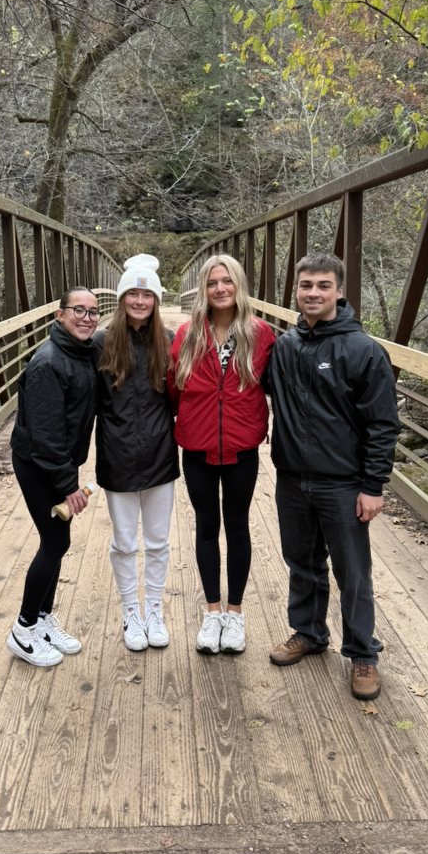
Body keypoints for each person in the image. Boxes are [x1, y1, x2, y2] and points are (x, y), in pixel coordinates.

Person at [267, 252, 399, 700]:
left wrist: (373, 485)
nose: (313, 293)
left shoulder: (364, 351)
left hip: (342, 483)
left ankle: (363, 653)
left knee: (353, 572)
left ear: (340, 292)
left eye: (323, 286)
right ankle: (308, 632)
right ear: (296, 291)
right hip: (291, 478)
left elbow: (382, 424)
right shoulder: (283, 347)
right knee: (301, 563)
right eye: (306, 285)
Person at [168, 254, 275, 655]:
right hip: (196, 448)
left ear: (239, 285)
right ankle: (212, 612)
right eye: (212, 282)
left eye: (227, 281)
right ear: (203, 288)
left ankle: (235, 613)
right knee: (206, 526)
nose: (220, 289)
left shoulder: (260, 334)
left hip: (241, 448)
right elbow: (173, 389)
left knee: (238, 525)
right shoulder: (188, 334)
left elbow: (279, 386)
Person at [7, 287, 100, 667]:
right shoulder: (48, 363)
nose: (87, 318)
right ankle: (23, 629)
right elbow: (45, 437)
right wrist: (68, 486)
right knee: (55, 541)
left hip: (57, 459)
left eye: (93, 312)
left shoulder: (83, 351)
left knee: (58, 540)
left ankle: (43, 620)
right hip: (38, 462)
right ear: (59, 316)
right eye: (77, 310)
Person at [94, 254, 179, 651]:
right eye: (133, 293)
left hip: (161, 453)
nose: (140, 300)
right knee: (125, 542)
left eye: (147, 294)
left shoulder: (170, 341)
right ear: (123, 296)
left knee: (158, 542)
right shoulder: (100, 343)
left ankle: (154, 610)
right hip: (118, 456)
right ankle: (131, 611)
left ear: (157, 299)